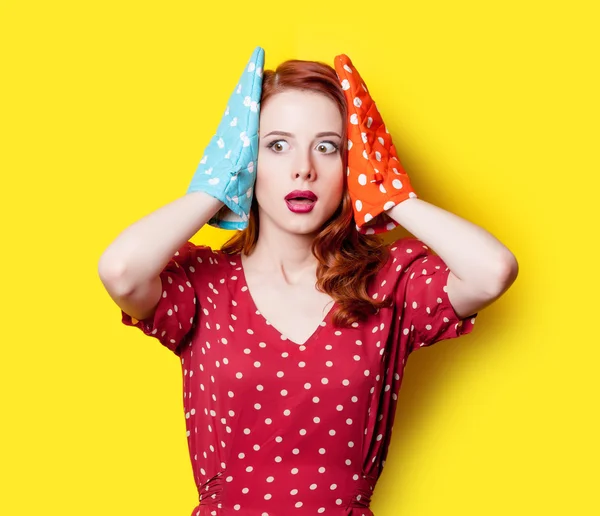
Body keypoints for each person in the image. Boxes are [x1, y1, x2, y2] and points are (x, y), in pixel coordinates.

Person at [98, 52, 518, 516]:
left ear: (351, 164)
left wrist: (389, 192)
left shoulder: (387, 284)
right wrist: (214, 186)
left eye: (327, 146)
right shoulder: (204, 284)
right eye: (277, 145)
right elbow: (121, 271)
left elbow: (492, 270)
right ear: (247, 160)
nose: (303, 169)